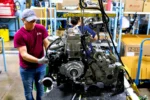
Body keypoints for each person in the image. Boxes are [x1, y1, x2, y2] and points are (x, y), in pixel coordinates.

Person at [14, 9, 50, 100]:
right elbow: (24, 55)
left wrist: (50, 54)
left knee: (41, 90)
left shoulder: (40, 28)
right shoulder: (19, 35)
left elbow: (47, 43)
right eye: (30, 21)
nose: (33, 23)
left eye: (34, 21)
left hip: (40, 67)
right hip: (27, 69)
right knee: (28, 92)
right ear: (23, 20)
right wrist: (39, 60)